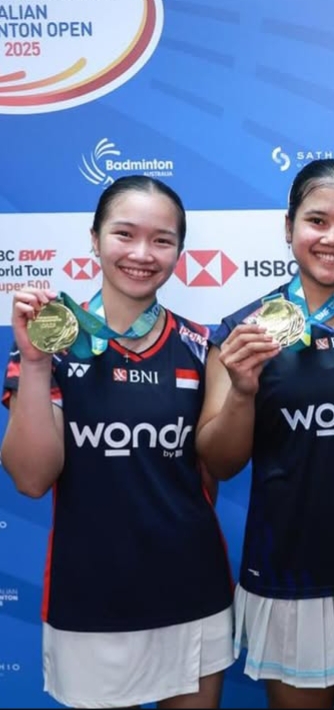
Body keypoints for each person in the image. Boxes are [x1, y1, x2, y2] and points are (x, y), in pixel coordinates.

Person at [195, 159, 334, 709]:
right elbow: (219, 462)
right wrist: (243, 391)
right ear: (288, 226)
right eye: (317, 221)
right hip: (287, 573)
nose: (332, 238)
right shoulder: (245, 331)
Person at [1, 176, 234, 708]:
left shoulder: (202, 345)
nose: (142, 254)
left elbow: (209, 473)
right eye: (124, 234)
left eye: (162, 240)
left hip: (192, 589)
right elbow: (31, 479)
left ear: (179, 251)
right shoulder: (49, 343)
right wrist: (35, 364)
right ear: (94, 238)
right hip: (91, 596)